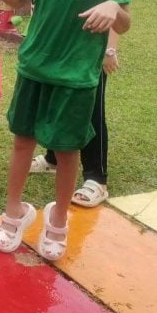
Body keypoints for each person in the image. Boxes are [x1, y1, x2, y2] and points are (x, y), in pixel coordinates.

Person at [0, 0, 131, 262]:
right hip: (34, 65)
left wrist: (112, 7)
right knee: (22, 141)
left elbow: (125, 21)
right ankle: (14, 212)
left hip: (78, 74)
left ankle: (58, 221)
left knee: (67, 151)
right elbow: (20, 0)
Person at [29, 30, 119, 208]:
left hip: (90, 50)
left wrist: (110, 49)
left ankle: (96, 178)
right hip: (61, 45)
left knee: (91, 110)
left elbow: (118, 7)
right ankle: (53, 158)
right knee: (56, 101)